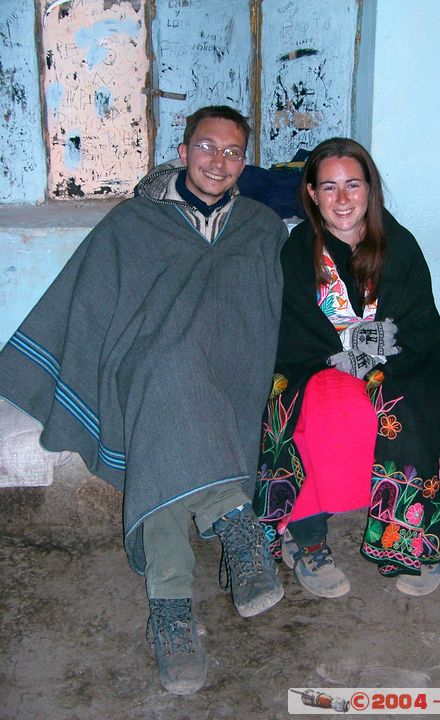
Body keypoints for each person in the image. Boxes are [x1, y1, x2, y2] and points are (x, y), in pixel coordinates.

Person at [0, 105, 289, 694]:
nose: (219, 162)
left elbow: (270, 313)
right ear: (182, 153)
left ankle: (171, 607)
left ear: (245, 164)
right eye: (207, 148)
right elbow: (85, 300)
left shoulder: (261, 226)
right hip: (139, 365)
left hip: (228, 377)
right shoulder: (133, 221)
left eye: (233, 153)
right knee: (162, 376)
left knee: (166, 400)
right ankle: (235, 519)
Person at [253, 137, 440, 599]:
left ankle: (420, 540)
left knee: (413, 411)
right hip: (317, 363)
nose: (342, 200)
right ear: (312, 194)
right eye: (329, 187)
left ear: (370, 190)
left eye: (352, 185)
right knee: (292, 417)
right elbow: (293, 329)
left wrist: (368, 351)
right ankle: (307, 536)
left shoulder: (400, 245)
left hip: (402, 359)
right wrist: (345, 350)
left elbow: (417, 326)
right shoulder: (298, 251)